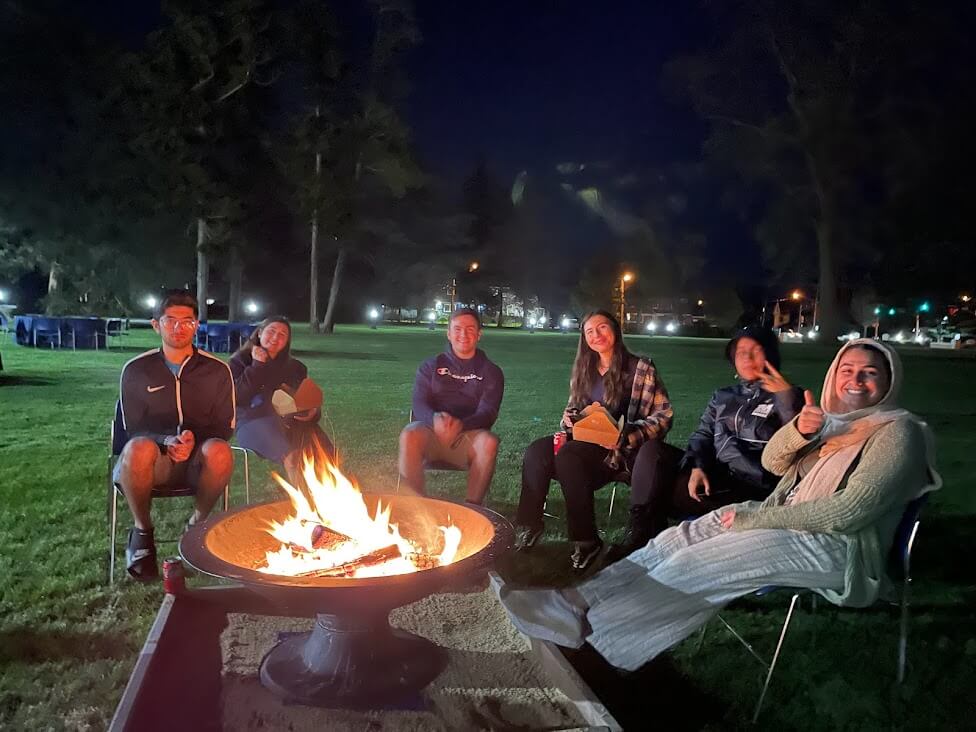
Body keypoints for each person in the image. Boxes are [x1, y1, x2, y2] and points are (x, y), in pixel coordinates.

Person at [498, 339, 941, 671]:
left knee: (703, 558)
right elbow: (776, 460)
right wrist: (802, 432)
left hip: (837, 548)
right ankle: (575, 601)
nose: (856, 379)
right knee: (680, 536)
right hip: (785, 523)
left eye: (870, 373)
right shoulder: (827, 422)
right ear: (834, 375)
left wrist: (759, 516)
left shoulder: (900, 432)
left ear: (889, 383)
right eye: (848, 369)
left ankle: (598, 643)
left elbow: (849, 513)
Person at [607, 326, 804, 559]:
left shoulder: (791, 397)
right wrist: (698, 466)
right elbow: (703, 435)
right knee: (652, 451)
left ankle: (644, 543)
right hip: (715, 475)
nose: (748, 358)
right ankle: (642, 537)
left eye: (756, 350)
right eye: (741, 352)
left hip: (753, 486)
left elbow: (797, 446)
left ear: (770, 355)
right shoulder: (723, 397)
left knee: (657, 488)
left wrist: (786, 399)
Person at [513, 310, 673, 571]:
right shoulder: (584, 369)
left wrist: (629, 434)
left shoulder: (640, 368)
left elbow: (663, 416)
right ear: (584, 338)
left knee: (568, 455)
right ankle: (529, 525)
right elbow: (574, 412)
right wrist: (568, 419)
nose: (596, 335)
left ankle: (586, 540)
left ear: (615, 331)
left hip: (618, 453)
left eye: (602, 328)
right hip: (583, 444)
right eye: (589, 331)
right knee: (537, 452)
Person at [115, 290, 235, 580]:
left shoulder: (217, 370)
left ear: (197, 325)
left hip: (197, 463)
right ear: (156, 325)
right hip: (154, 463)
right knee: (138, 448)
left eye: (187, 322)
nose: (179, 329)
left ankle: (197, 525)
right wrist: (165, 441)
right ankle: (143, 532)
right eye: (171, 321)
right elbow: (132, 428)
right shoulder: (136, 370)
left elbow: (225, 425)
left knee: (219, 450)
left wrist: (193, 439)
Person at [398, 308, 504, 505]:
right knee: (409, 433)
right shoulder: (430, 366)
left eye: (470, 329)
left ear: (479, 334)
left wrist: (459, 425)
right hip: (431, 434)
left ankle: (473, 508)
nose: (463, 334)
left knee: (489, 442)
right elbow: (418, 403)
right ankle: (415, 507)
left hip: (468, 437)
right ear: (448, 333)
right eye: (457, 329)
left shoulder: (491, 372)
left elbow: (488, 412)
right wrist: (435, 420)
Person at [229, 316, 335, 481]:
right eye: (271, 331)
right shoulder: (239, 362)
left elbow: (306, 399)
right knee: (294, 458)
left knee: (327, 454)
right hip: (253, 422)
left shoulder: (295, 368)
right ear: (260, 333)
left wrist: (313, 412)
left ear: (287, 341)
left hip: (292, 422)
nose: (275, 337)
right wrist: (258, 366)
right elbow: (236, 397)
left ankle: (328, 499)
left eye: (282, 335)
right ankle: (304, 503)